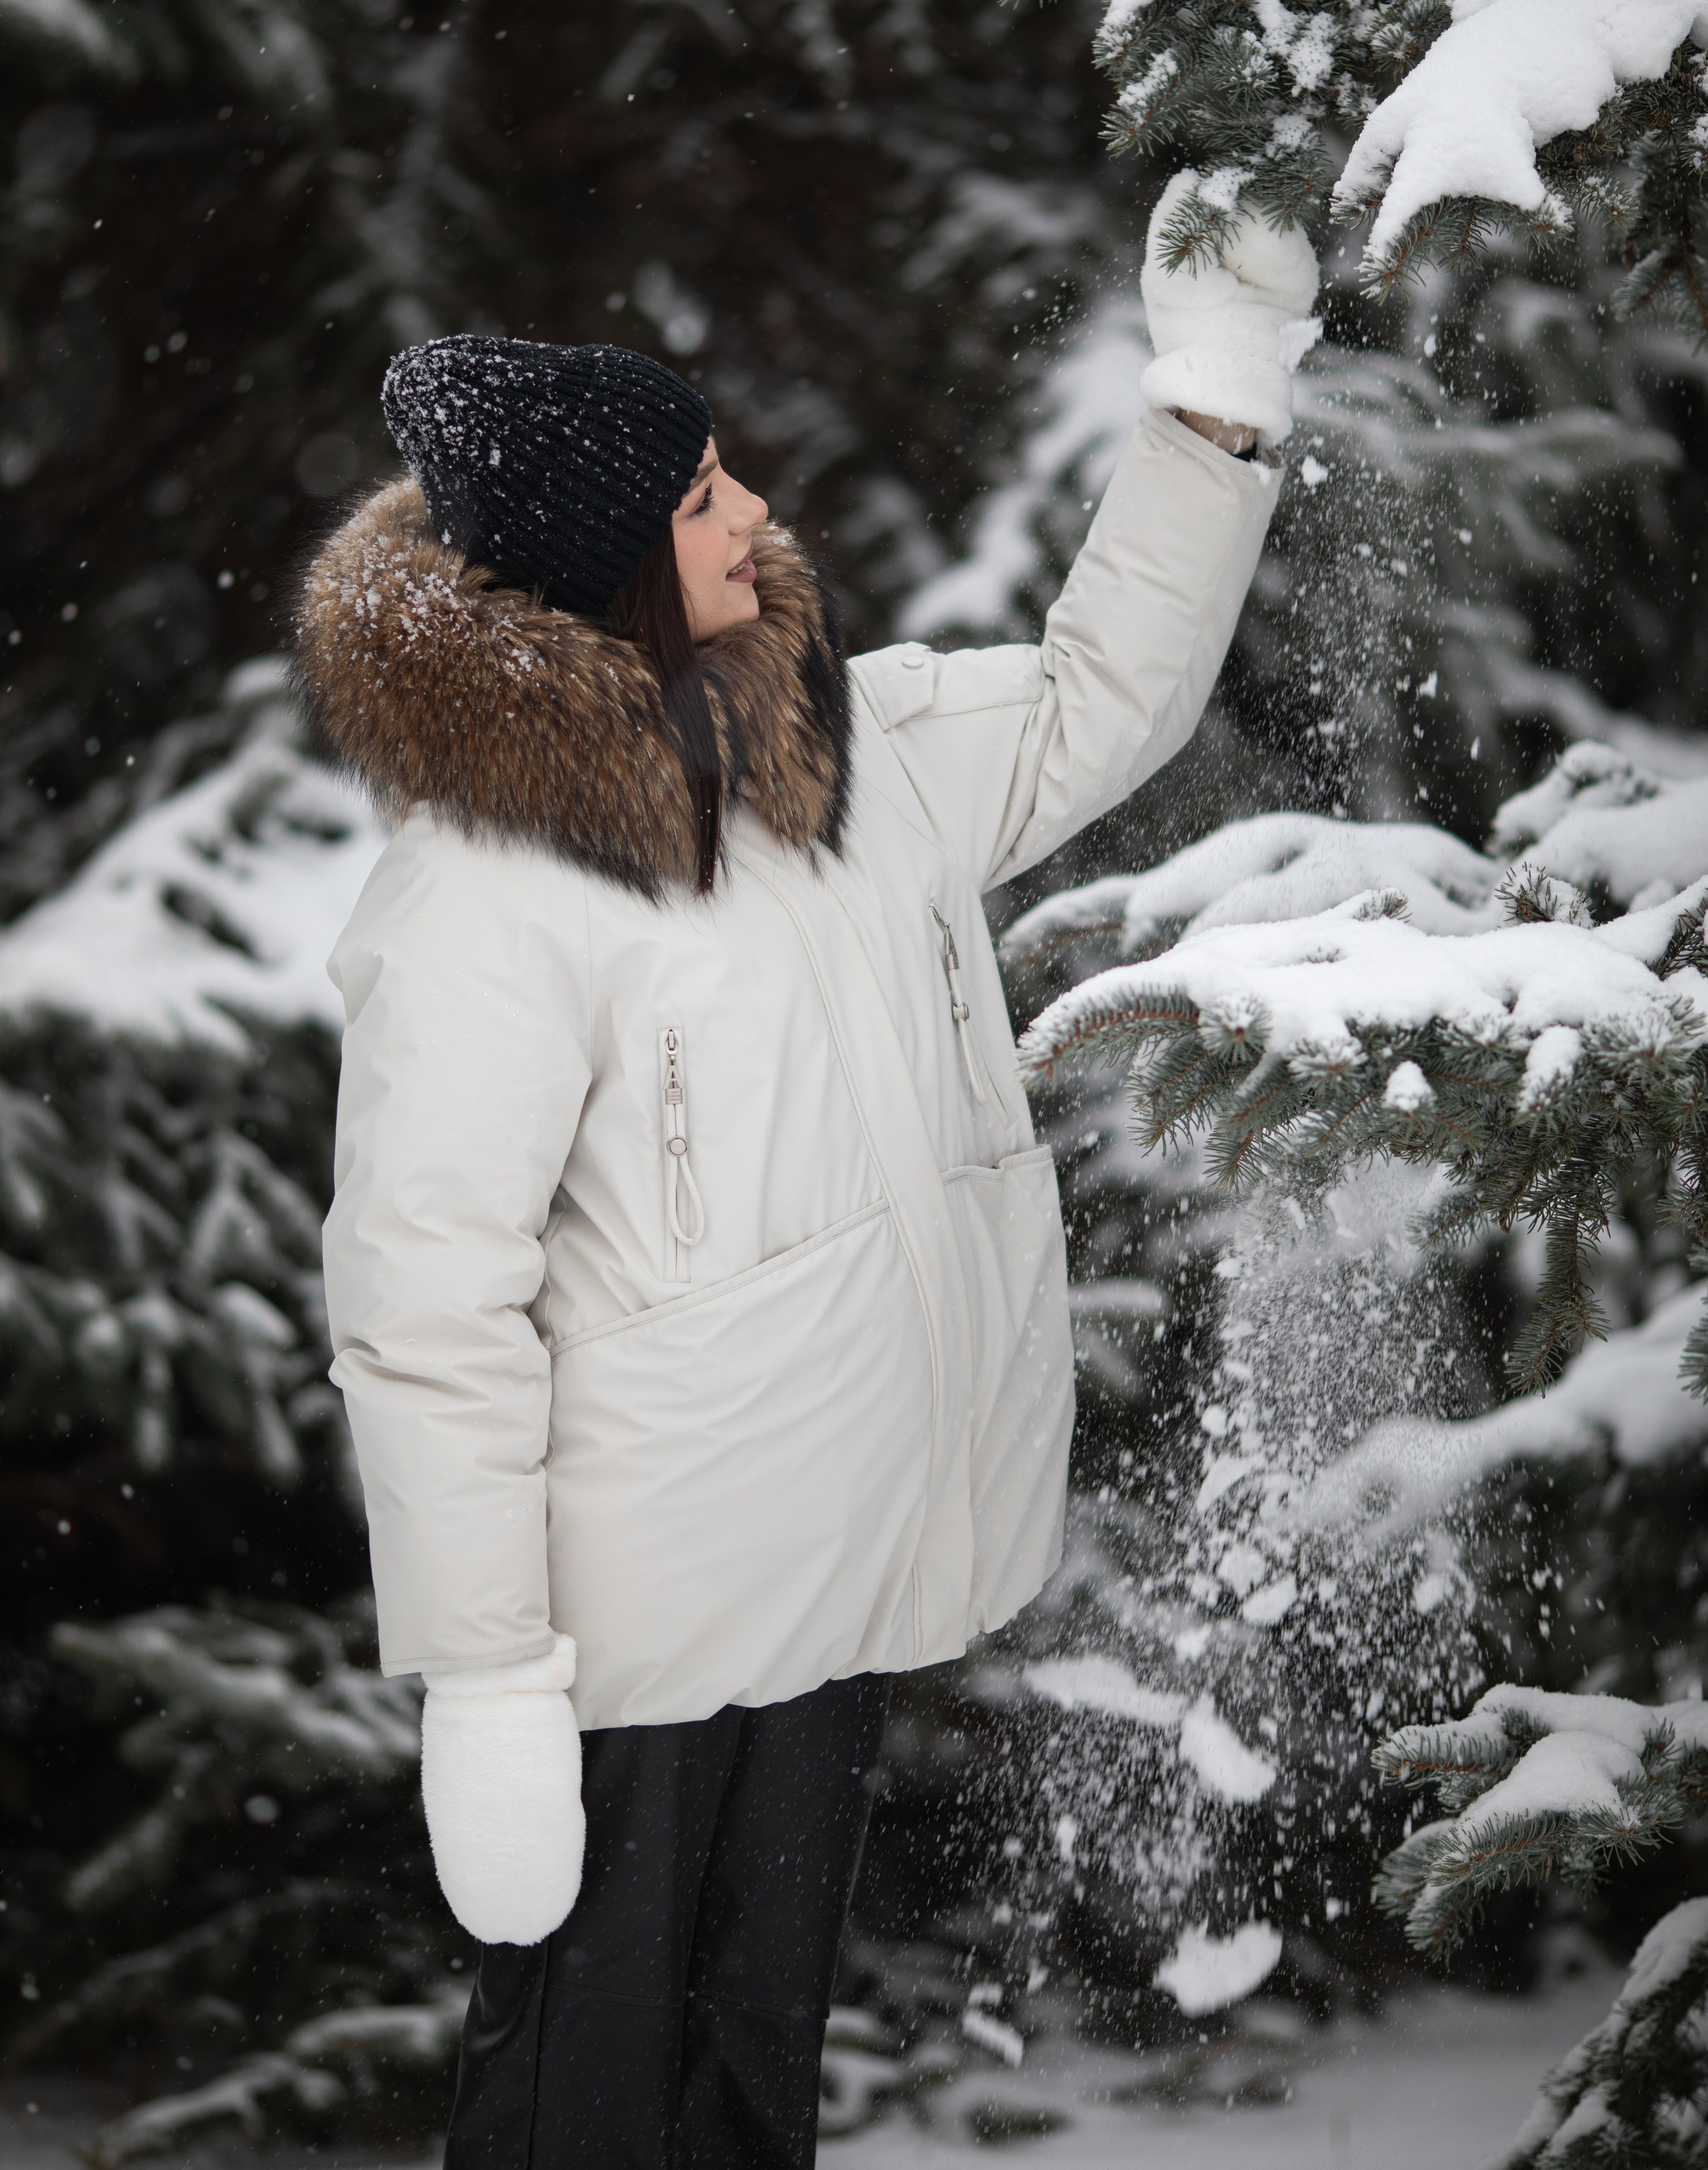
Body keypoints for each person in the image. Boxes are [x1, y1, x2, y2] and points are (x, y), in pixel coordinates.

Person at [294, 176, 1318, 2169]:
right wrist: (491, 1681)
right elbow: (426, 1310)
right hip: (632, 1642)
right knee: (580, 2102)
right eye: (696, 499)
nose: (751, 507)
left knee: (751, 2082)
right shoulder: (485, 893)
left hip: (829, 1576)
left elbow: (1103, 697)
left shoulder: (849, 753)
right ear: (604, 569)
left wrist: (1209, 404)